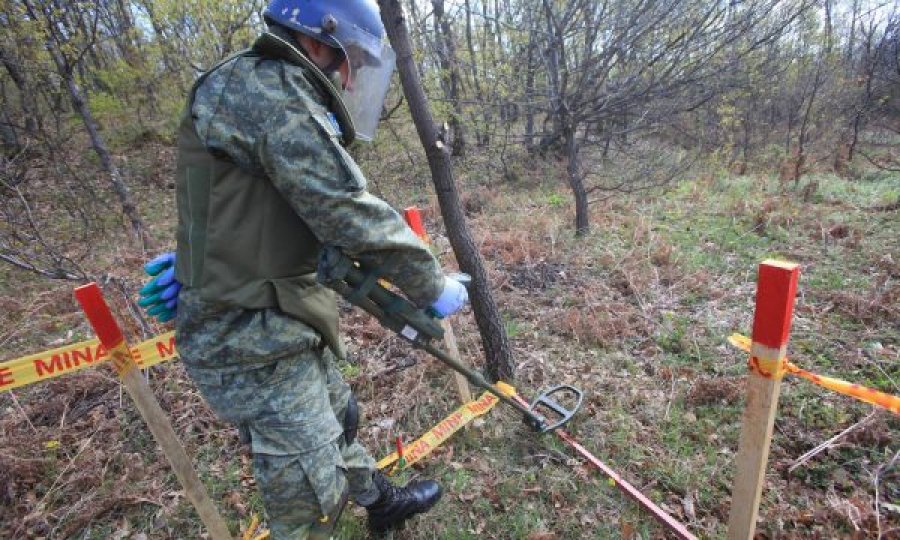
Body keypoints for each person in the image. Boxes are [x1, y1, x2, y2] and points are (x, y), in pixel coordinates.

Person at [137, 0, 469, 537]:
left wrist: (214, 250)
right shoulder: (272, 93)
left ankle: (380, 503)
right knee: (309, 486)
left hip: (280, 314)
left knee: (339, 419)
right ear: (319, 40)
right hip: (249, 333)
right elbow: (343, 208)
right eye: (351, 60)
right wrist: (431, 284)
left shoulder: (253, 86)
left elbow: (244, 197)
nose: (351, 74)